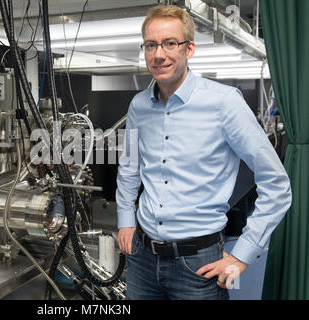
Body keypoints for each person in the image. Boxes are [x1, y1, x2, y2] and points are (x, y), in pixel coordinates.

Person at [116, 5, 292, 300]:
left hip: (199, 263)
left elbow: (277, 184)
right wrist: (125, 219)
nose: (159, 54)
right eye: (150, 45)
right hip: (142, 258)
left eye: (170, 43)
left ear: (190, 49)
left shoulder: (224, 103)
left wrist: (241, 256)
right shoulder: (138, 106)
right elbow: (129, 168)